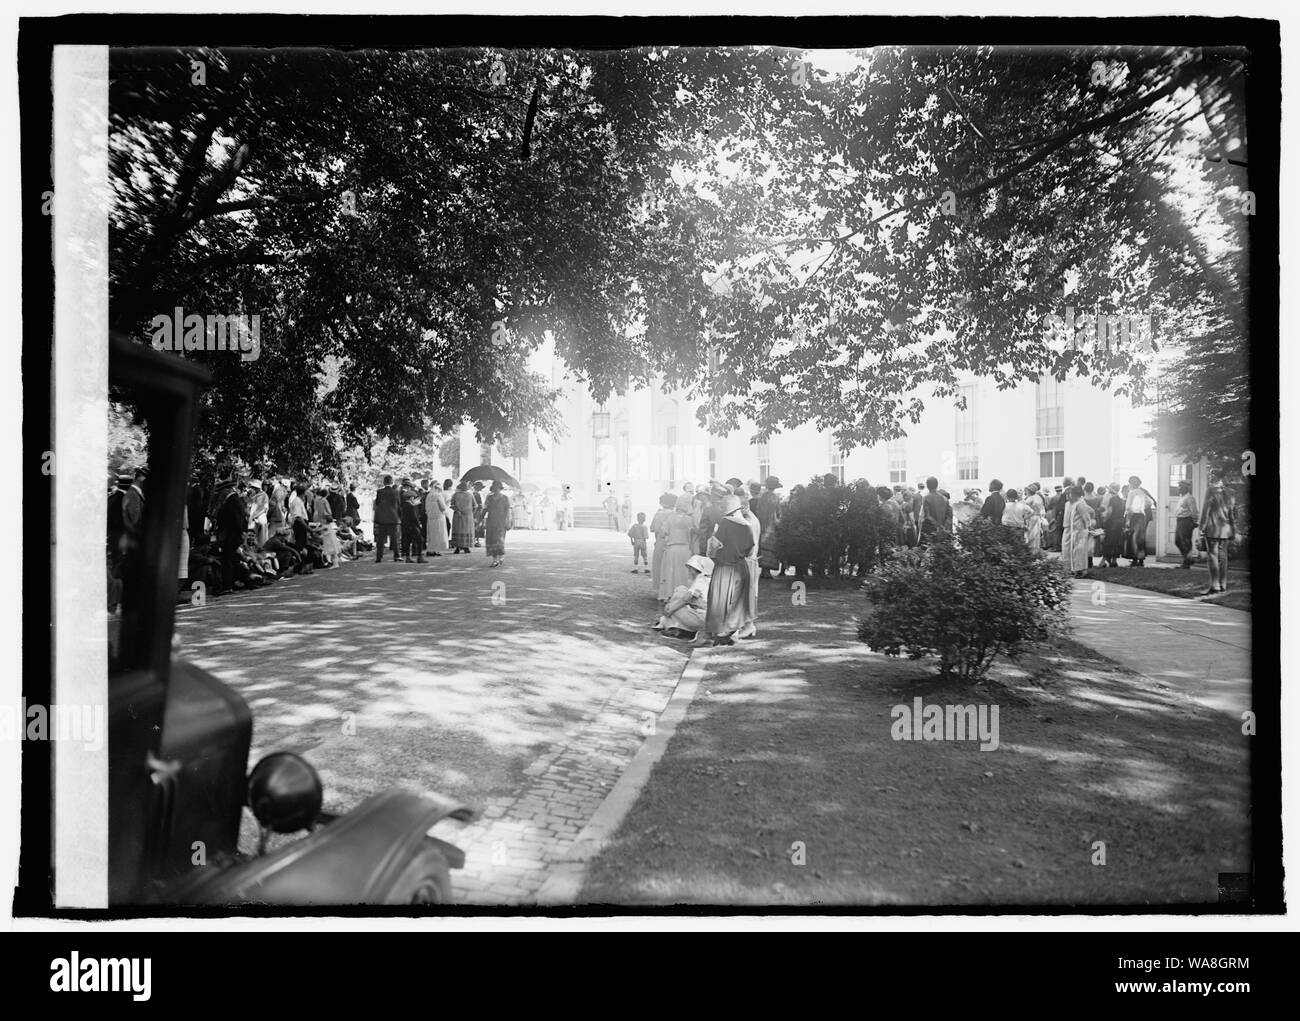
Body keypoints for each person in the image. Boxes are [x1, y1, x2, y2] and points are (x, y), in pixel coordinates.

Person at [697, 495, 755, 647]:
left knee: (719, 601)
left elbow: (713, 548)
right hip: (741, 568)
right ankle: (732, 632)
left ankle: (713, 634)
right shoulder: (747, 525)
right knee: (737, 602)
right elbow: (750, 550)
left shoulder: (725, 523)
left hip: (724, 567)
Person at [651, 555, 714, 639]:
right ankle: (676, 626)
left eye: (691, 568)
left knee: (676, 605)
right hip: (708, 618)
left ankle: (666, 621)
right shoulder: (711, 579)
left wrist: (670, 610)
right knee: (681, 589)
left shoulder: (702, 579)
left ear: (698, 569)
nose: (689, 571)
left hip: (702, 619)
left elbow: (686, 599)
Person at [1199, 472, 1236, 594]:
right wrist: (1233, 529)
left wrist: (1202, 527)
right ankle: (1223, 584)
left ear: (1214, 477)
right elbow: (1232, 513)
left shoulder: (1211, 490)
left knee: (1213, 556)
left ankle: (1215, 586)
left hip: (1213, 528)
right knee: (1223, 557)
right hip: (1226, 529)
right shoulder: (1231, 492)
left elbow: (1206, 509)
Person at [735, 484, 762, 638]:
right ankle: (745, 624)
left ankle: (749, 625)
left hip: (747, 561)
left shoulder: (750, 522)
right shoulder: (748, 520)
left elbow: (750, 546)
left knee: (748, 594)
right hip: (746, 561)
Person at [659, 495, 695, 601]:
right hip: (685, 548)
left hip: (672, 547)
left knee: (671, 571)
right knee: (683, 573)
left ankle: (670, 594)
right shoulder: (690, 520)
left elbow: (662, 533)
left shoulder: (670, 518)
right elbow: (692, 536)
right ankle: (683, 594)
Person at [1124, 475, 1155, 566]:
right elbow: (1150, 502)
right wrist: (1142, 507)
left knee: (1133, 538)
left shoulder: (1131, 493)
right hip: (1142, 516)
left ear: (1132, 484)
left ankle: (1134, 559)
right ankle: (1141, 559)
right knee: (1140, 537)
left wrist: (1128, 520)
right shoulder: (1142, 492)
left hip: (1134, 516)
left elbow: (1128, 507)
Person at [756, 476, 783, 578]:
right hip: (772, 526)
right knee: (770, 548)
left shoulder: (762, 497)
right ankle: (766, 571)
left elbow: (758, 511)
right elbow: (778, 512)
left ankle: (764, 570)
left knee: (763, 548)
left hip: (762, 525)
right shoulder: (775, 498)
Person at [649, 493, 675, 594]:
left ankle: (660, 589)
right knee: (670, 566)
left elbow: (653, 528)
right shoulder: (675, 514)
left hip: (660, 541)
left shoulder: (659, 514)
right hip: (671, 542)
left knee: (659, 565)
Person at [1064, 485, 1092, 577]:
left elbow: (1086, 517)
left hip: (1081, 530)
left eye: (1071, 493)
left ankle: (1083, 570)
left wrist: (1088, 527)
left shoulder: (1080, 503)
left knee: (1080, 551)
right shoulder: (1075, 503)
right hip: (1075, 530)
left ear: (1075, 494)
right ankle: (1076, 569)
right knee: (1075, 551)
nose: (1069, 495)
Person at [483, 480, 511, 567]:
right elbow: (485, 509)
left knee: (499, 540)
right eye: (494, 488)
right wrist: (480, 519)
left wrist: (508, 521)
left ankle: (501, 556)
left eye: (498, 488)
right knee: (491, 540)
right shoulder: (489, 498)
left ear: (500, 488)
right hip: (491, 522)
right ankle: (495, 559)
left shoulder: (505, 498)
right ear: (492, 488)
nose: (496, 490)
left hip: (501, 522)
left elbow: (508, 510)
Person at [1174, 479, 1199, 568]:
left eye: (1180, 486)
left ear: (1186, 488)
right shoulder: (1182, 497)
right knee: (1177, 541)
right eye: (1178, 486)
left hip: (1186, 521)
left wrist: (1194, 522)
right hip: (1180, 521)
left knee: (1185, 541)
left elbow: (1194, 511)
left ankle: (1187, 561)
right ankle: (1188, 558)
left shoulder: (1189, 498)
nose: (1178, 488)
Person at [919, 476, 949, 545]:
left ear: (927, 486)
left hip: (930, 530)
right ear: (937, 485)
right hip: (942, 530)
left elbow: (928, 516)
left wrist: (937, 525)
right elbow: (948, 516)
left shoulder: (926, 498)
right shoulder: (945, 499)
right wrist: (942, 527)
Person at [400, 487, 427, 563]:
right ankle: (420, 557)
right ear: (411, 497)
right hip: (412, 526)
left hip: (405, 525)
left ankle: (408, 557)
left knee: (407, 541)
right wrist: (419, 525)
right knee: (420, 540)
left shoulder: (404, 506)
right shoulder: (411, 506)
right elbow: (414, 517)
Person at [875, 485, 901, 563]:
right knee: (893, 549)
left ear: (880, 496)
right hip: (894, 529)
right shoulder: (895, 503)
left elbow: (880, 521)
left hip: (885, 531)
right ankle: (892, 566)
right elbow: (901, 517)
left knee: (884, 551)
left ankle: (885, 567)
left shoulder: (882, 507)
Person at [425, 479, 450, 556]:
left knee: (431, 534)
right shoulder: (438, 495)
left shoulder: (428, 495)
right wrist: (447, 505)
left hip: (430, 517)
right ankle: (437, 550)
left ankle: (430, 550)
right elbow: (443, 507)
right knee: (439, 534)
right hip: (439, 517)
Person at [451, 481, 475, 553]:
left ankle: (457, 548)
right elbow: (475, 505)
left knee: (458, 530)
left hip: (458, 515)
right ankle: (466, 547)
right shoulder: (470, 495)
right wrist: (471, 512)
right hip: (468, 515)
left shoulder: (455, 495)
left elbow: (452, 505)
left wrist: (457, 510)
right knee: (466, 531)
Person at [1024, 483, 1046, 551]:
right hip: (1037, 517)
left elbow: (1023, 507)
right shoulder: (1039, 497)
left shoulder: (1030, 498)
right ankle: (1036, 550)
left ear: (1029, 491)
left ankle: (1031, 550)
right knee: (1036, 535)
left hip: (1031, 517)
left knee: (1030, 535)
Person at [472, 481, 486, 546]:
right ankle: (476, 540)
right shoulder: (477, 494)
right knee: (477, 526)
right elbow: (479, 504)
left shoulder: (473, 493)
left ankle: (475, 540)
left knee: (475, 525)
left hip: (474, 511)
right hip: (478, 511)